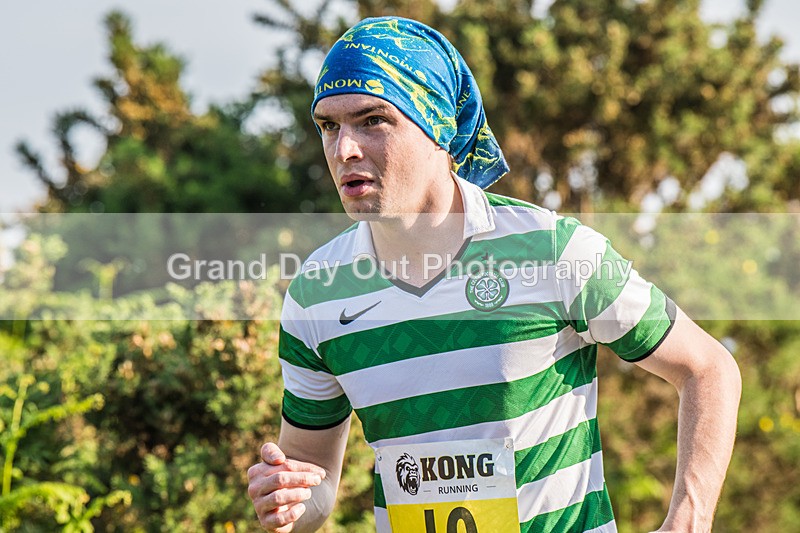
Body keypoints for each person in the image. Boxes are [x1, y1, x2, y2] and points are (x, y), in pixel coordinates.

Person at [247, 16, 741, 533]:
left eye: (373, 120)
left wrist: (688, 517)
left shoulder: (552, 250)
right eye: (329, 125)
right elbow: (315, 476)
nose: (343, 149)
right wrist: (290, 503)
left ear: (436, 125)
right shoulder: (315, 292)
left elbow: (708, 369)